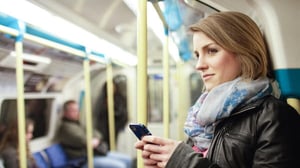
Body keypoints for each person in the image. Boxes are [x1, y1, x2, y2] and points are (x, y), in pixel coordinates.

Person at [135, 11, 300, 168]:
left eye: (212, 51)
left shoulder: (274, 117)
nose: (199, 65)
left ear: (244, 52)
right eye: (197, 55)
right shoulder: (203, 117)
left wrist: (183, 162)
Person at [56, 100, 132, 168]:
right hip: (82, 160)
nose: (77, 113)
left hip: (94, 154)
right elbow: (86, 141)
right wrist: (93, 140)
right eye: (73, 111)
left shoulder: (77, 124)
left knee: (128, 160)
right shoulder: (66, 128)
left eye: (77, 110)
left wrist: (96, 139)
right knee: (121, 166)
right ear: (65, 112)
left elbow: (96, 133)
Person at [96, 81, 128, 149]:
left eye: (112, 87)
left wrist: (112, 107)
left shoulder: (120, 98)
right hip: (104, 127)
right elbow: (99, 113)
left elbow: (121, 113)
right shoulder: (102, 98)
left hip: (116, 126)